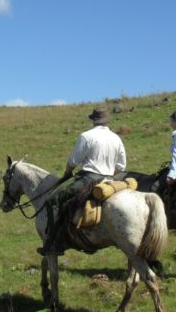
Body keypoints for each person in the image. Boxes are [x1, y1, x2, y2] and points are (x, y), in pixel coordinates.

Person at [38, 106, 126, 256]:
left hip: (89, 177)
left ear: (93, 120)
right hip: (109, 180)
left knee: (53, 200)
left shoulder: (87, 136)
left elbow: (73, 161)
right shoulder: (116, 138)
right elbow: (121, 166)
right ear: (106, 121)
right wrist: (109, 175)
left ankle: (53, 243)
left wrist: (67, 173)